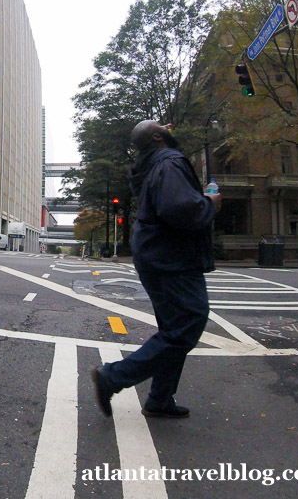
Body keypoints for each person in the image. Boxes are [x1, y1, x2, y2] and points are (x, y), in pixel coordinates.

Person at [91, 120, 222, 419]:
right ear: (157, 136)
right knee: (188, 324)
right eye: (162, 126)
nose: (168, 125)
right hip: (173, 256)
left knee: (173, 329)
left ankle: (160, 399)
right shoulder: (171, 163)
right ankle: (113, 377)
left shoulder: (151, 166)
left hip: (156, 254)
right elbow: (181, 209)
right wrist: (209, 204)